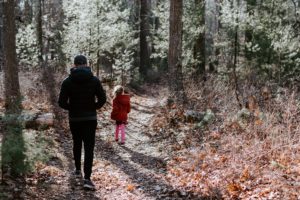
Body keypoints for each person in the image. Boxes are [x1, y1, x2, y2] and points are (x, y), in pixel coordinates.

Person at [58, 55, 106, 190]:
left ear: (74, 64)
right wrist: (93, 107)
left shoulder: (67, 81)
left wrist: (72, 108)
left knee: (77, 143)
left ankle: (78, 171)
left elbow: (61, 102)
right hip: (90, 118)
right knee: (89, 147)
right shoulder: (94, 80)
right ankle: (87, 179)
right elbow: (102, 99)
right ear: (86, 64)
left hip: (75, 118)